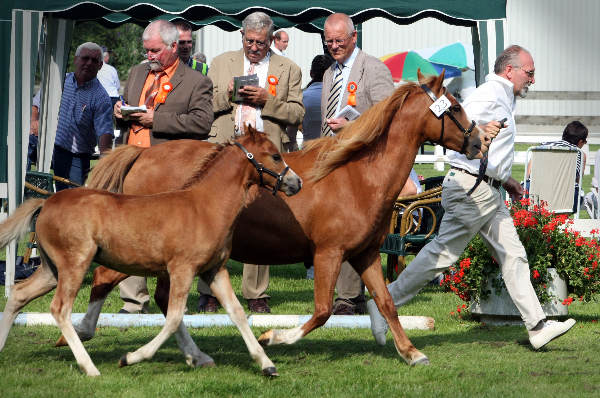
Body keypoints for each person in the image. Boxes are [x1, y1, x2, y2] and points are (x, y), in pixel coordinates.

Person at [367, 45, 576, 351]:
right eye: (529, 73)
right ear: (510, 70)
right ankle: (384, 302)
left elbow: (484, 144)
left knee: (513, 255)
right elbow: (453, 125)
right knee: (443, 255)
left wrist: (507, 181)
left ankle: (537, 326)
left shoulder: (502, 97)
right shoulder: (489, 94)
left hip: (488, 190)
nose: (532, 79)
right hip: (472, 190)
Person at [198, 11, 304, 313]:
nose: (254, 47)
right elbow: (206, 105)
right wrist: (230, 94)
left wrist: (266, 100)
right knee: (213, 221)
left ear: (271, 40)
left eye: (259, 42)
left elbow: (297, 114)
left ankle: (255, 293)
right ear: (241, 36)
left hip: (264, 160)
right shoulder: (221, 63)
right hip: (224, 151)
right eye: (249, 41)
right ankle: (208, 291)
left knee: (258, 220)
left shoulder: (288, 69)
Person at [114, 20, 214, 314]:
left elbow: (201, 123)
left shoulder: (197, 81)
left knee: (167, 237)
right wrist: (120, 112)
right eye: (147, 51)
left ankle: (171, 299)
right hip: (131, 167)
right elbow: (127, 108)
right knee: (128, 233)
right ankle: (133, 302)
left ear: (173, 47)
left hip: (167, 174)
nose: (150, 56)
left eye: (156, 51)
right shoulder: (136, 73)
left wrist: (156, 120)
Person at [320, 13, 395, 315]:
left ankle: (349, 297)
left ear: (354, 37)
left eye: (339, 40)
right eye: (329, 42)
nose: (335, 46)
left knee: (352, 230)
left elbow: (388, 115)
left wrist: (353, 126)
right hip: (334, 161)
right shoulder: (329, 73)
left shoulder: (373, 69)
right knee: (335, 229)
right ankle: (346, 295)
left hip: (363, 163)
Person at [52, 42, 114, 191]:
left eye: (94, 61)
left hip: (77, 158)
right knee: (39, 191)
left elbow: (104, 131)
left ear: (100, 66)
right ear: (75, 60)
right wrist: (34, 121)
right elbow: (38, 103)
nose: (89, 63)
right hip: (50, 148)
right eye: (85, 58)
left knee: (73, 201)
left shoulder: (101, 97)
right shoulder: (61, 81)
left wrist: (104, 161)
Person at [527, 121, 588, 212]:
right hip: (565, 202)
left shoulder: (542, 147)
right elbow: (577, 182)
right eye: (585, 141)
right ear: (580, 141)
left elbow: (528, 175)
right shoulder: (579, 153)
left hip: (534, 199)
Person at [28, 90, 41, 170]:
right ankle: (23, 179)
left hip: (63, 143)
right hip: (40, 137)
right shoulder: (66, 78)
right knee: (22, 140)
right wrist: (33, 122)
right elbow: (35, 106)